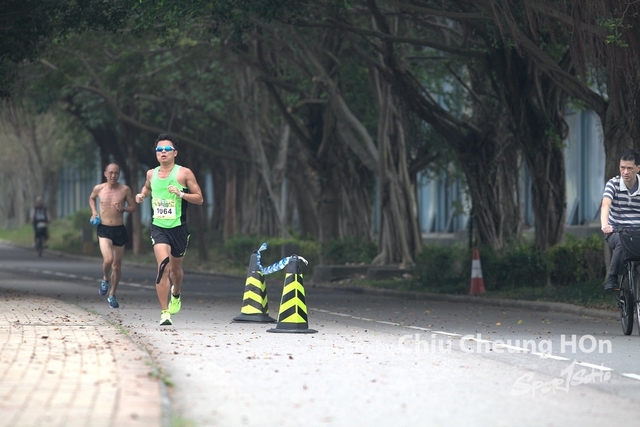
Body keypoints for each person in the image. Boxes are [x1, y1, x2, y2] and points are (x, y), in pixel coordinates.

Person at [135, 134, 204, 325]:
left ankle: (176, 292)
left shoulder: (184, 173)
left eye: (167, 150)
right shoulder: (151, 173)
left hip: (179, 228)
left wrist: (181, 193)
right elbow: (147, 187)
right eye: (159, 150)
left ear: (175, 153)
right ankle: (165, 312)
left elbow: (199, 198)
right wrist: (142, 195)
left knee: (176, 270)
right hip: (159, 227)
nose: (163, 153)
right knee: (163, 267)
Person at [89, 163, 136, 308]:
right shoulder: (99, 188)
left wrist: (124, 209)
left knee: (117, 265)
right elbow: (92, 198)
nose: (113, 176)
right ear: (105, 173)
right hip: (104, 229)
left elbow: (133, 207)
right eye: (111, 173)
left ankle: (112, 294)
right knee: (108, 259)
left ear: (119, 174)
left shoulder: (125, 189)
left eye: (116, 173)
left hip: (119, 229)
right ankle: (105, 278)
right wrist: (94, 212)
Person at [601, 148, 640, 291]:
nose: (625, 172)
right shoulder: (613, 184)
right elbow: (605, 204)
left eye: (630, 168)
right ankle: (612, 277)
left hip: (637, 232)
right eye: (622, 168)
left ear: (638, 168)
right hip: (616, 230)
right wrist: (605, 225)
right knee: (621, 241)